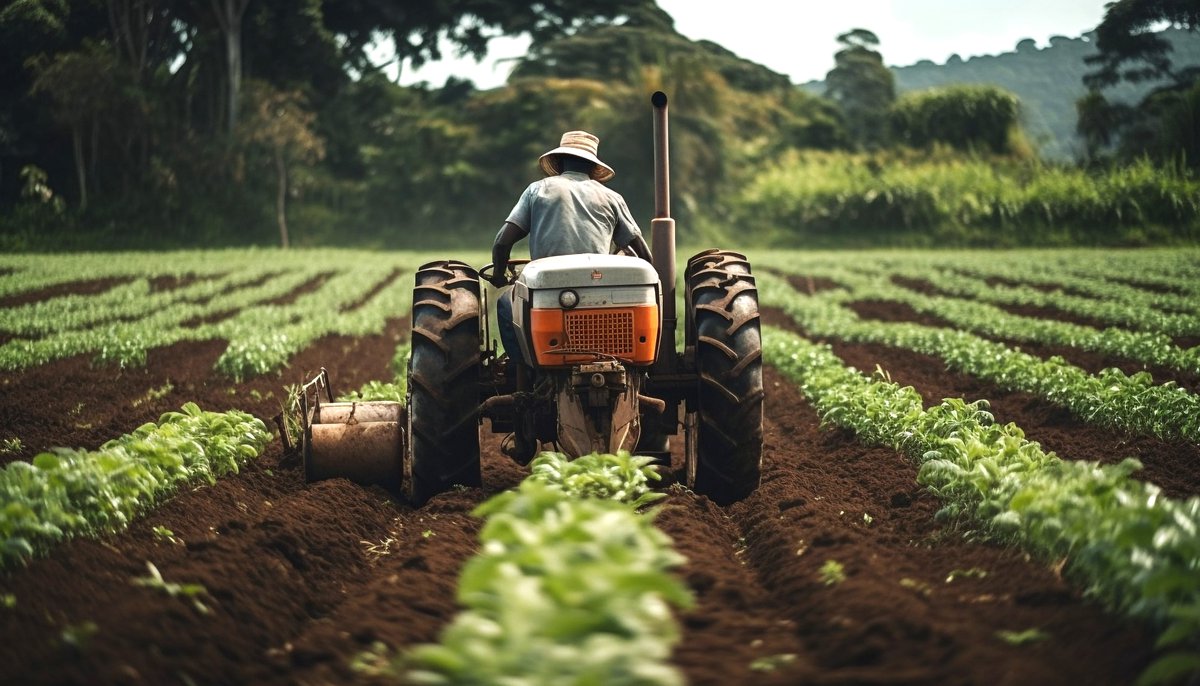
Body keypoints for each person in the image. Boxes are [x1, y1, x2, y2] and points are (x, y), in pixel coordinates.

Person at [489, 130, 652, 362]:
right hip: (601, 289)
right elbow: (644, 254)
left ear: (559, 161)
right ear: (593, 167)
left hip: (547, 288)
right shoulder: (611, 197)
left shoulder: (538, 190)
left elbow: (502, 242)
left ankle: (523, 371)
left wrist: (498, 275)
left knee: (506, 303)